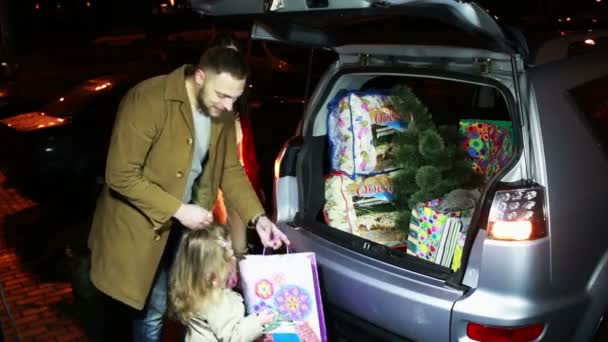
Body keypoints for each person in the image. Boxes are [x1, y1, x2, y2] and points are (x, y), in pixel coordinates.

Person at [87, 45, 290, 342]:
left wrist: (257, 217)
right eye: (222, 95)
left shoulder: (220, 112)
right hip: (141, 230)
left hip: (186, 231)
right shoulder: (149, 100)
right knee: (149, 312)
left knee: (190, 305)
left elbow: (230, 170)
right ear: (199, 76)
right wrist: (179, 210)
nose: (229, 107)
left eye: (236, 97)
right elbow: (120, 175)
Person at [169, 224, 275, 342]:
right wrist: (258, 321)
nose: (233, 260)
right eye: (229, 257)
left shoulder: (195, 290)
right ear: (212, 277)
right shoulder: (217, 301)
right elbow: (233, 337)